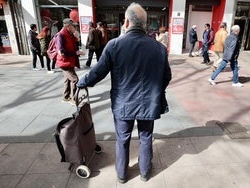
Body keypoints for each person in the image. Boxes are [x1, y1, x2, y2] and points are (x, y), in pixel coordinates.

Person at [77, 2, 172, 183]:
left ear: (126, 22)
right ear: (144, 24)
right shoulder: (158, 48)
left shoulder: (114, 45)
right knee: (146, 137)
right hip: (148, 103)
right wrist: (155, 92)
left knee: (122, 139)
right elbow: (167, 76)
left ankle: (121, 175)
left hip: (123, 102)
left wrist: (82, 82)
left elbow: (98, 72)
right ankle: (145, 173)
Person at [56, 18, 85, 105]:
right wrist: (76, 52)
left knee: (68, 79)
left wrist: (77, 37)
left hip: (69, 62)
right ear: (68, 26)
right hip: (64, 63)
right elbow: (61, 52)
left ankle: (65, 97)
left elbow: (73, 44)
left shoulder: (69, 34)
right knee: (75, 80)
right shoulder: (60, 35)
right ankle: (73, 99)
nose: (75, 28)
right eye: (74, 26)